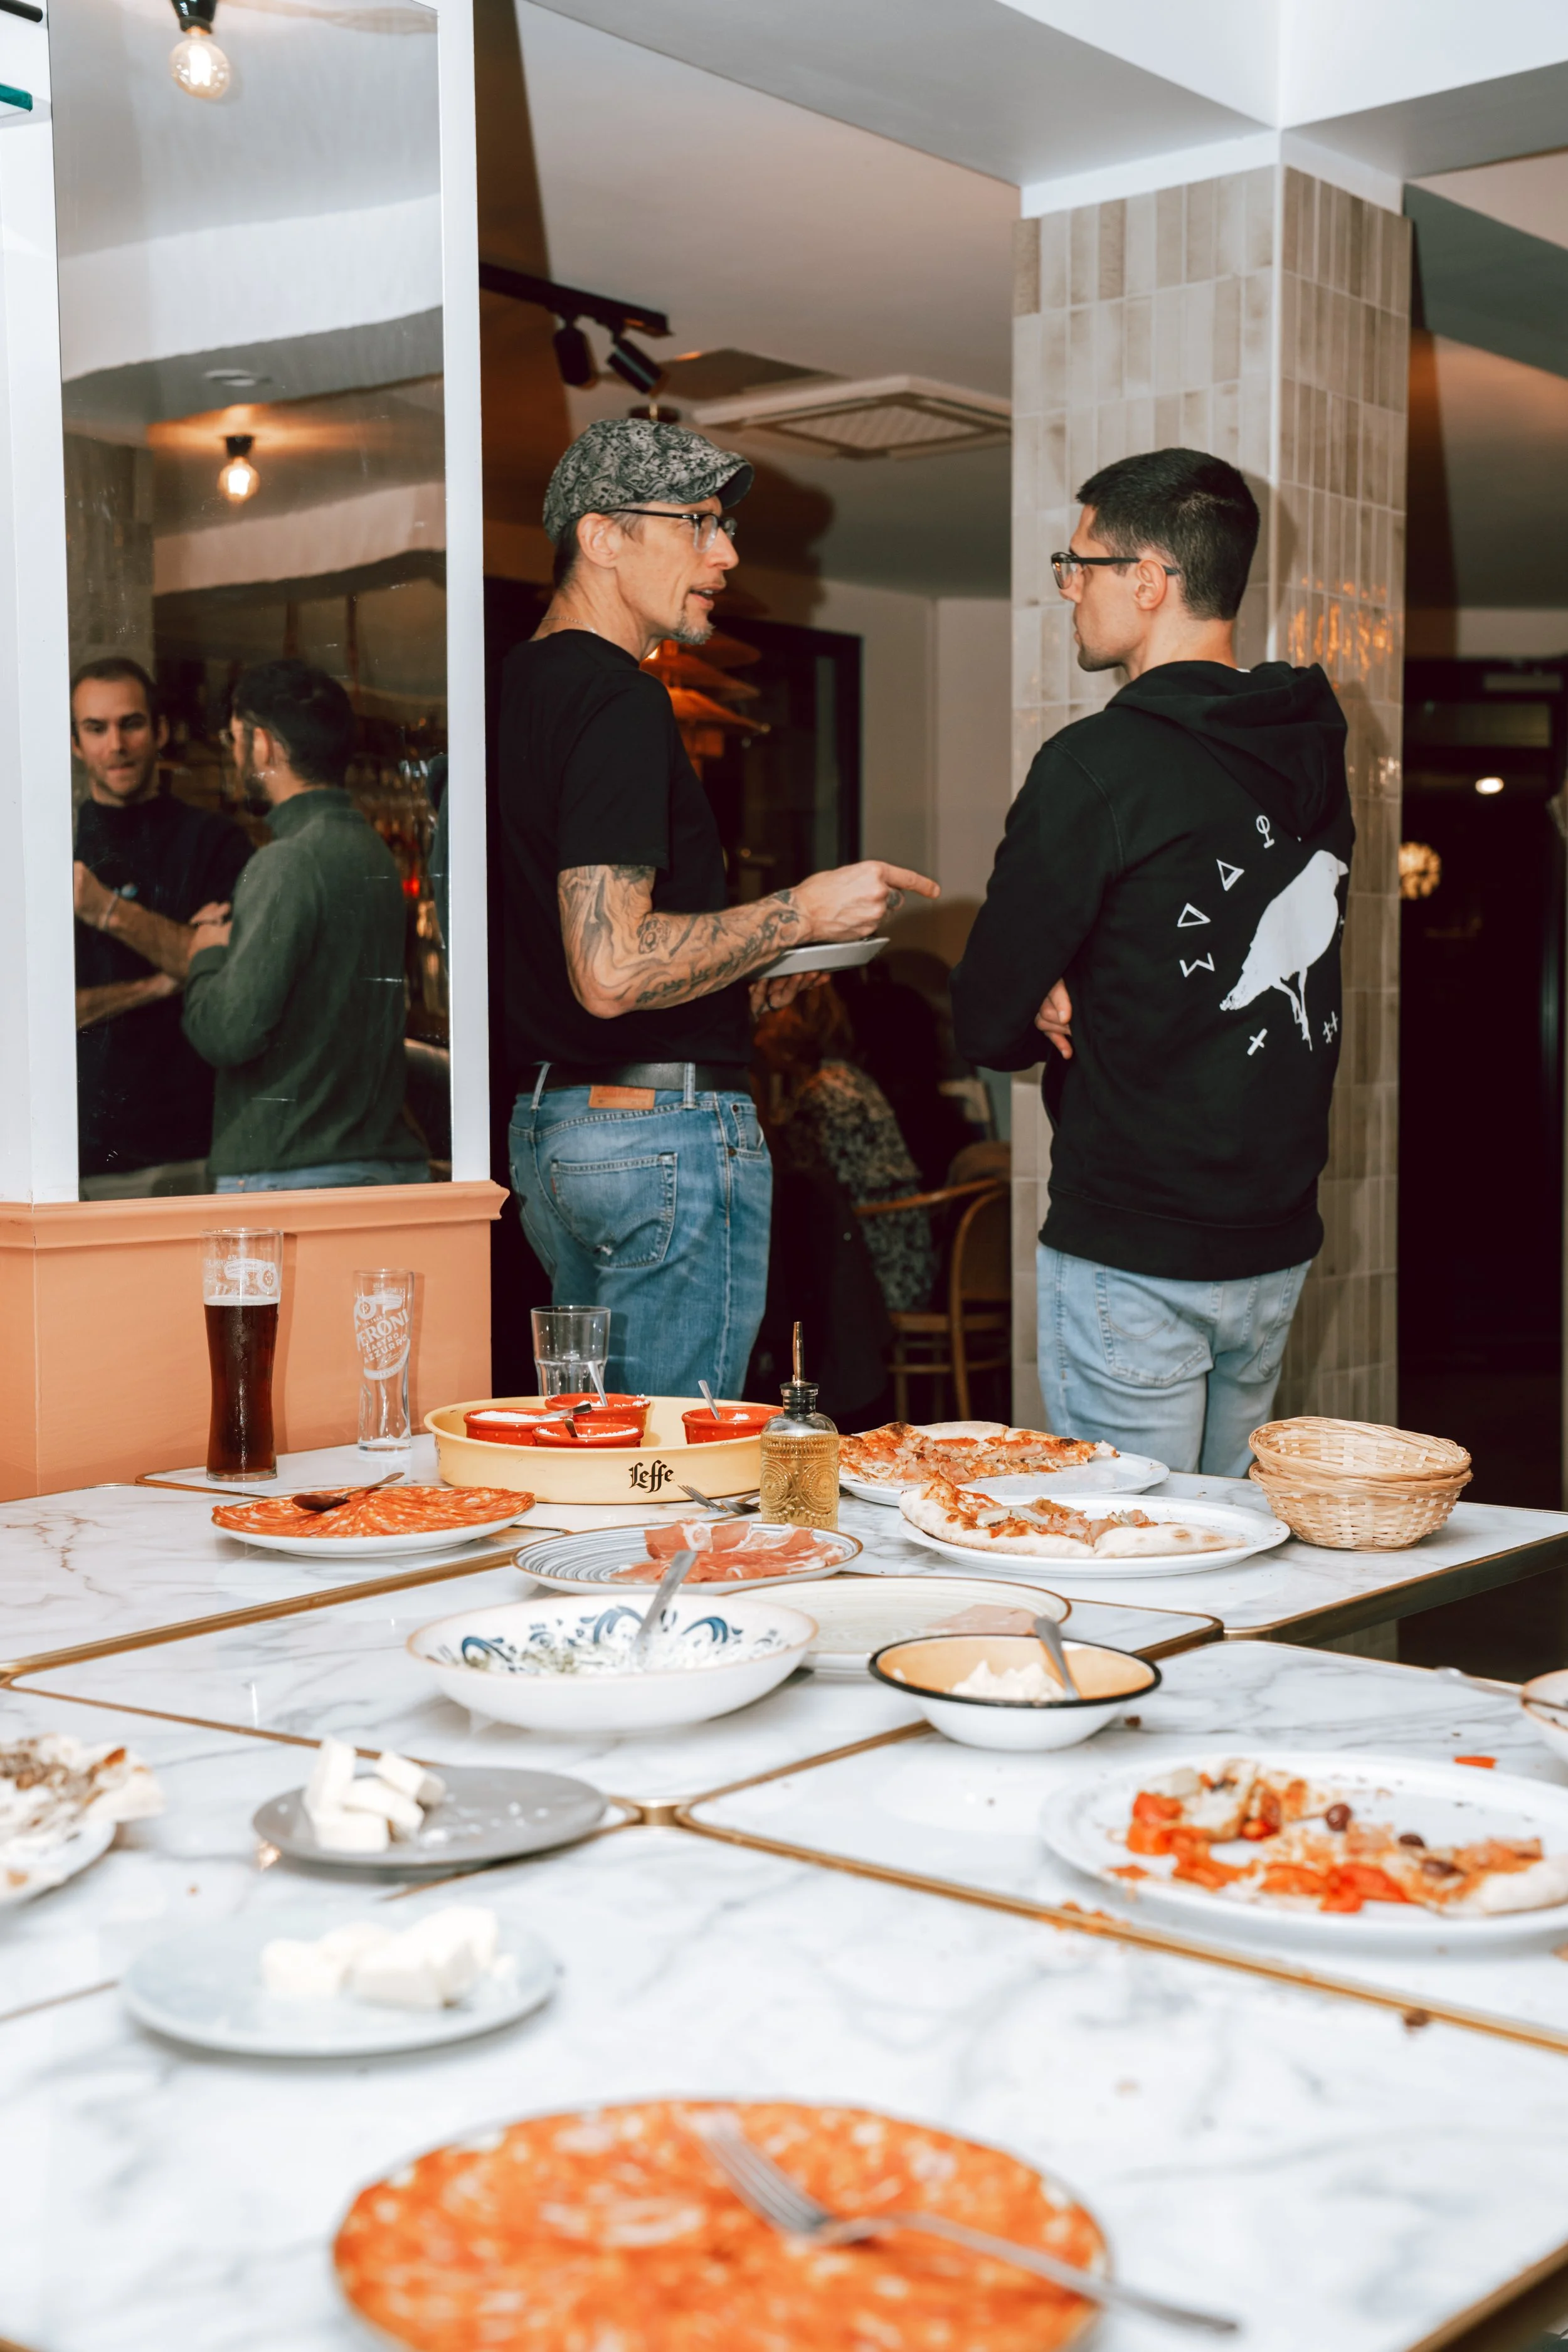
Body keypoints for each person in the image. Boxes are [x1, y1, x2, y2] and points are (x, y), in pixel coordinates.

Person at [499, 416, 937, 1397]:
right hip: (657, 1130)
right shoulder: (616, 701)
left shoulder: (504, 696)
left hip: (551, 1129)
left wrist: (748, 967)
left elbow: (561, 949)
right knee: (676, 1468)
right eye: (698, 523)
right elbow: (610, 969)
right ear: (602, 536)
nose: (727, 553)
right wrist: (804, 913)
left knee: (595, 1458)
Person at [952, 448, 1354, 1476]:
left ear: (1149, 579)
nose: (1069, 588)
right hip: (1272, 1235)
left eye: (1078, 562)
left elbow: (986, 1019)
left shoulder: (1098, 764)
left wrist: (1051, 969)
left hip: (1134, 1242)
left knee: (1127, 1564)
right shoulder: (1311, 744)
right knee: (1224, 1553)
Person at [182, 659, 429, 1192]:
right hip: (374, 1161)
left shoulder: (286, 862)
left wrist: (206, 955)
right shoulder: (371, 853)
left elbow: (229, 1032)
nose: (232, 754)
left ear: (264, 746)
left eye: (234, 739)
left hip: (291, 1169)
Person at [70, 657, 252, 1197]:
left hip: (196, 1141)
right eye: (95, 729)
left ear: (161, 730)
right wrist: (171, 976)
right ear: (76, 744)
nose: (116, 745)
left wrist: (107, 911)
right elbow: (52, 1013)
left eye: (131, 724)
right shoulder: (54, 850)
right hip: (84, 1151)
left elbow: (235, 982)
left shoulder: (215, 842)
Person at [754, 985, 936, 1314]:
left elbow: (787, 1180)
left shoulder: (819, 1096)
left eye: (764, 1025)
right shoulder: (850, 1078)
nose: (757, 1040)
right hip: (909, 1254)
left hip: (873, 1265)